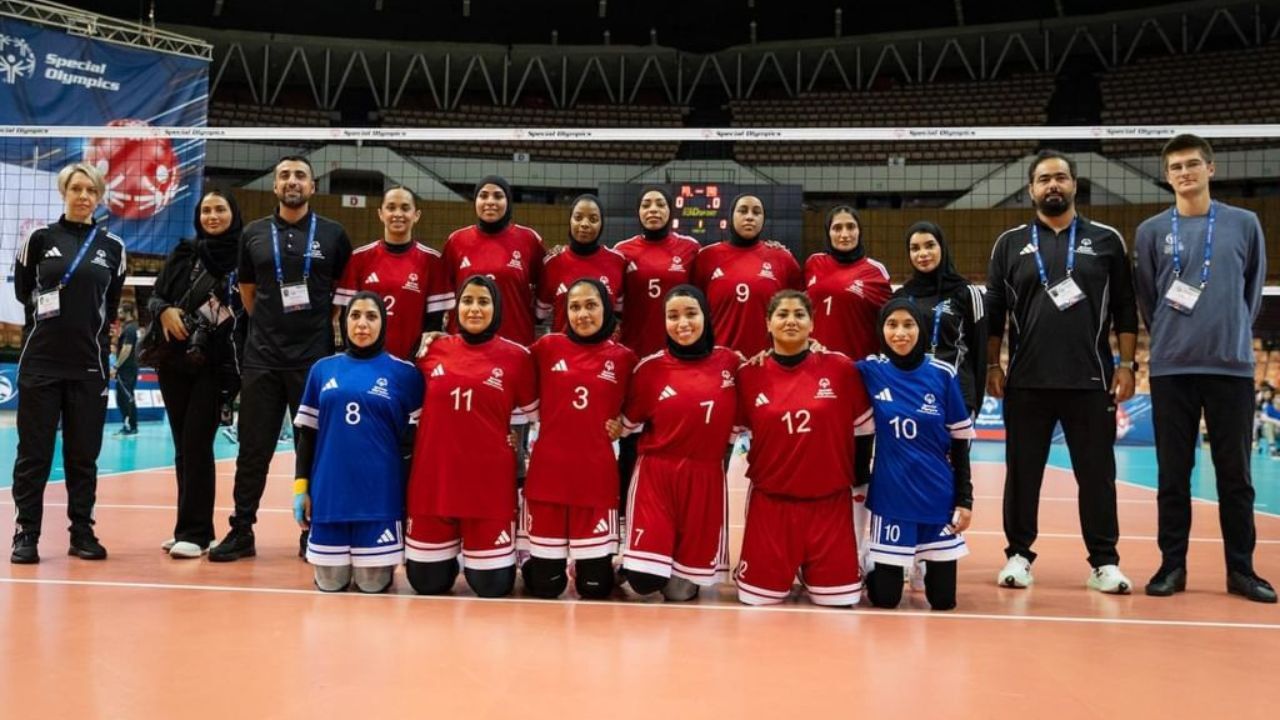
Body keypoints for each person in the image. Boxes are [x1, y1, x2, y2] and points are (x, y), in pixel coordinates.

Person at [985, 149, 1138, 594]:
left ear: (1074, 185)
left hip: (1091, 380)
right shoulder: (1009, 243)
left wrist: (1127, 364)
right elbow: (995, 314)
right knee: (1022, 474)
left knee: (1097, 476)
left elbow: (1127, 308)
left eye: (1061, 178)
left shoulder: (1107, 240)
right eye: (1044, 179)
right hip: (1027, 381)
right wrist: (994, 364)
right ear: (1031, 189)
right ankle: (1018, 555)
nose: (1053, 185)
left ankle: (1104, 562)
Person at [1134, 133, 1275, 603]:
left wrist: (1229, 331)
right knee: (1173, 474)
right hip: (1172, 367)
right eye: (1176, 167)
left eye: (1193, 164)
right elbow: (1148, 299)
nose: (1185, 173)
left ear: (1210, 169)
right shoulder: (1151, 231)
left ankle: (1242, 571)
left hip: (1230, 367)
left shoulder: (1245, 223)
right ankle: (1172, 567)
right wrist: (1178, 335)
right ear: (1167, 175)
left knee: (1235, 476)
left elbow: (1251, 291)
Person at [211, 155, 353, 562]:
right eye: (285, 175)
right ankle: (241, 530)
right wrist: (275, 327)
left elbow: (338, 296)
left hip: (315, 361)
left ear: (312, 186)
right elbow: (249, 294)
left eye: (300, 175)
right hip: (263, 359)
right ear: (275, 186)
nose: (293, 181)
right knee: (253, 448)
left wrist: (309, 330)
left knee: (316, 448)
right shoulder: (254, 234)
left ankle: (314, 532)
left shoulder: (333, 234)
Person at [10, 161, 126, 564]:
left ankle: (82, 532)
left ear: (98, 197)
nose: (83, 196)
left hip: (88, 368)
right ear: (65, 193)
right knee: (34, 454)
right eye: (76, 189)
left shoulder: (113, 248)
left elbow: (109, 305)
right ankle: (26, 533)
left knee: (83, 456)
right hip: (41, 363)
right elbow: (25, 292)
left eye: (90, 190)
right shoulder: (39, 239)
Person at [733, 290, 873, 607]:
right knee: (758, 604)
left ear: (812, 324)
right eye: (782, 314)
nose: (791, 321)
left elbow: (865, 429)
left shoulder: (841, 369)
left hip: (830, 505)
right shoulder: (749, 374)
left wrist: (859, 480)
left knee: (838, 605)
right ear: (768, 323)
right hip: (771, 506)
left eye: (799, 314)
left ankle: (820, 567)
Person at [404, 276, 538, 598]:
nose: (474, 309)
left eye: (483, 302)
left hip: (488, 488)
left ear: (497, 308)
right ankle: (448, 556)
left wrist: (520, 453)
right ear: (456, 307)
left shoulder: (517, 357)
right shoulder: (431, 350)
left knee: (492, 588)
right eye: (467, 301)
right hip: (434, 484)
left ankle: (484, 557)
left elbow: (538, 416)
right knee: (427, 584)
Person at [293, 292, 422, 593]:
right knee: (330, 585)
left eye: (371, 317)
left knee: (372, 587)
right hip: (329, 499)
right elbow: (307, 434)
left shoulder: (405, 374)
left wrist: (408, 497)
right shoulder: (322, 370)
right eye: (355, 316)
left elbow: (416, 442)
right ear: (344, 322)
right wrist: (301, 489)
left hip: (380, 501)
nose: (362, 324)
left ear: (383, 323)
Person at [618, 285, 740, 601]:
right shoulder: (649, 369)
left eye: (691, 313)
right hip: (656, 476)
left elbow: (771, 370)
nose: (682, 323)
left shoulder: (731, 363)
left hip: (705, 476)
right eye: (673, 316)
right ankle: (622, 561)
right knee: (644, 581)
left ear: (706, 316)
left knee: (680, 594)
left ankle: (663, 562)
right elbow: (626, 425)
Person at [856, 298, 976, 611]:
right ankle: (872, 563)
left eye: (908, 325)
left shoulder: (940, 373)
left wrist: (965, 500)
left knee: (943, 601)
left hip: (937, 495)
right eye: (892, 324)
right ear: (881, 330)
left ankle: (920, 563)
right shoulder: (871, 370)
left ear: (921, 329)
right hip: (891, 497)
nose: (900, 333)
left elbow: (960, 441)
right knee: (885, 599)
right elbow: (825, 370)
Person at [522, 279, 637, 599]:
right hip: (549, 478)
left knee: (595, 589)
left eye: (591, 305)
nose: (582, 314)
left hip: (596, 481)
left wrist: (622, 425)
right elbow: (502, 364)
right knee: (545, 588)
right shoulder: (546, 348)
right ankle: (540, 562)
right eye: (574, 307)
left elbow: (641, 405)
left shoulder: (625, 358)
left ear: (606, 308)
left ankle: (587, 565)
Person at [150, 190, 245, 558]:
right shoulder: (185, 251)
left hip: (215, 363)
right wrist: (164, 312)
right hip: (173, 359)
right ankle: (189, 528)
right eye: (206, 210)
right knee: (182, 448)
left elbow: (244, 308)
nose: (212, 215)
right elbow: (157, 294)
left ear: (233, 214)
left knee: (196, 444)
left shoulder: (243, 254)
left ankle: (197, 532)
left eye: (220, 209)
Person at [611, 186, 701, 539]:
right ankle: (623, 522)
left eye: (659, 203)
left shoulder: (690, 250)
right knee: (631, 444)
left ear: (671, 210)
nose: (653, 209)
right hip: (635, 365)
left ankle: (679, 520)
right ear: (638, 212)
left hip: (678, 363)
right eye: (646, 204)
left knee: (676, 440)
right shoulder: (622, 252)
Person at [335, 186, 450, 359]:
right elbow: (347, 316)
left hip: (411, 362)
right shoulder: (359, 258)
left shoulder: (432, 261)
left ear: (416, 215)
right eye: (391, 207)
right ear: (380, 214)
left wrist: (418, 358)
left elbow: (434, 323)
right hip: (367, 360)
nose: (398, 214)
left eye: (405, 208)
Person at [893, 221, 987, 415]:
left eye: (929, 245)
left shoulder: (967, 293)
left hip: (956, 394)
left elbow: (979, 353)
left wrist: (974, 403)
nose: (922, 254)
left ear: (942, 247)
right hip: (911, 392)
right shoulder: (901, 296)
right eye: (915, 248)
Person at [691, 194, 803, 358]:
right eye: (743, 211)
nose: (750, 217)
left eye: (756, 212)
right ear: (731, 216)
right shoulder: (706, 257)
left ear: (763, 220)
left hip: (768, 361)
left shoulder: (782, 258)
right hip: (718, 362)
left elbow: (800, 309)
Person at [441, 175, 546, 346]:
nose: (490, 201)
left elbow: (547, 285)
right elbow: (443, 292)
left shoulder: (528, 239)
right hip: (464, 345)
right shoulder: (456, 241)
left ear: (508, 201)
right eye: (483, 196)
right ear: (475, 201)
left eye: (498, 196)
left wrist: (537, 317)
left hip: (515, 343)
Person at [805, 205, 893, 360]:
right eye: (837, 228)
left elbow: (891, 319)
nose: (844, 234)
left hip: (858, 365)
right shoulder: (814, 263)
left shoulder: (876, 271)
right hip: (815, 364)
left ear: (859, 231)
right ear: (828, 232)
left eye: (851, 227)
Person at [536, 194, 625, 334]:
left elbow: (620, 313)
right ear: (570, 221)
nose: (584, 224)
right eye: (578, 218)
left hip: (604, 353)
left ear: (602, 224)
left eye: (593, 219)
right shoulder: (553, 262)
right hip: (563, 352)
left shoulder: (617, 261)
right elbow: (539, 316)